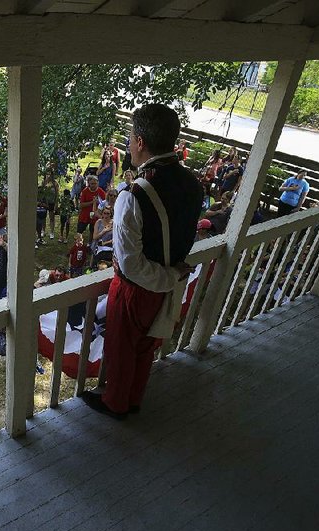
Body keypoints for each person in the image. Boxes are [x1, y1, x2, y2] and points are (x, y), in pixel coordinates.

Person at [80, 103, 202, 420]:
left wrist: (167, 276)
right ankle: (134, 397)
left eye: (130, 137)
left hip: (137, 288)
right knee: (146, 347)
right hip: (170, 280)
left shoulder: (133, 194)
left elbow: (131, 265)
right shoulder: (193, 182)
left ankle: (117, 403)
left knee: (121, 349)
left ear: (139, 142)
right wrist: (173, 276)